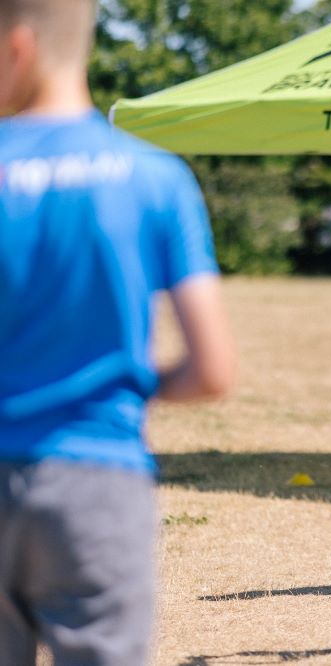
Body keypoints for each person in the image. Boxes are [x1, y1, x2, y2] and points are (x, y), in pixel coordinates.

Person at [0, 1, 235, 663]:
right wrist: (118, 387)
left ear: (17, 47)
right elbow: (213, 370)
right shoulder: (157, 178)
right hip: (98, 478)